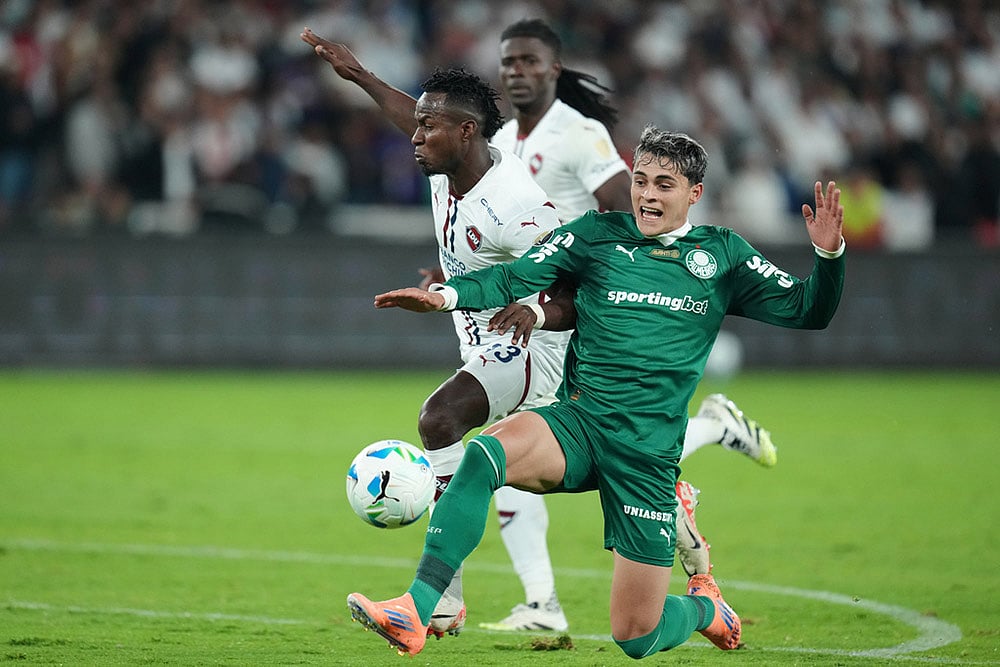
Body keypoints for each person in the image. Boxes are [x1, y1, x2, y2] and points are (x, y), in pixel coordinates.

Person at [300, 25, 774, 638]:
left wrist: (543, 307)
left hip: (535, 345)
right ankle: (681, 488)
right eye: (418, 125)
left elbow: (580, 278)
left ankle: (437, 604)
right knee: (557, 469)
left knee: (443, 422)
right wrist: (359, 74)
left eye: (428, 128)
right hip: (486, 333)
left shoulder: (517, 203)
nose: (415, 137)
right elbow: (416, 120)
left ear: (464, 133)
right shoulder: (451, 159)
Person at [366, 126, 846, 658]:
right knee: (483, 454)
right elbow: (514, 276)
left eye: (664, 184)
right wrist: (447, 296)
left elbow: (809, 310)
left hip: (646, 456)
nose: (647, 195)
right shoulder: (596, 235)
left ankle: (708, 608)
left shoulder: (723, 256)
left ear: (694, 194)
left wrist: (829, 258)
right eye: (640, 181)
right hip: (582, 424)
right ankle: (417, 608)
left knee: (635, 636)